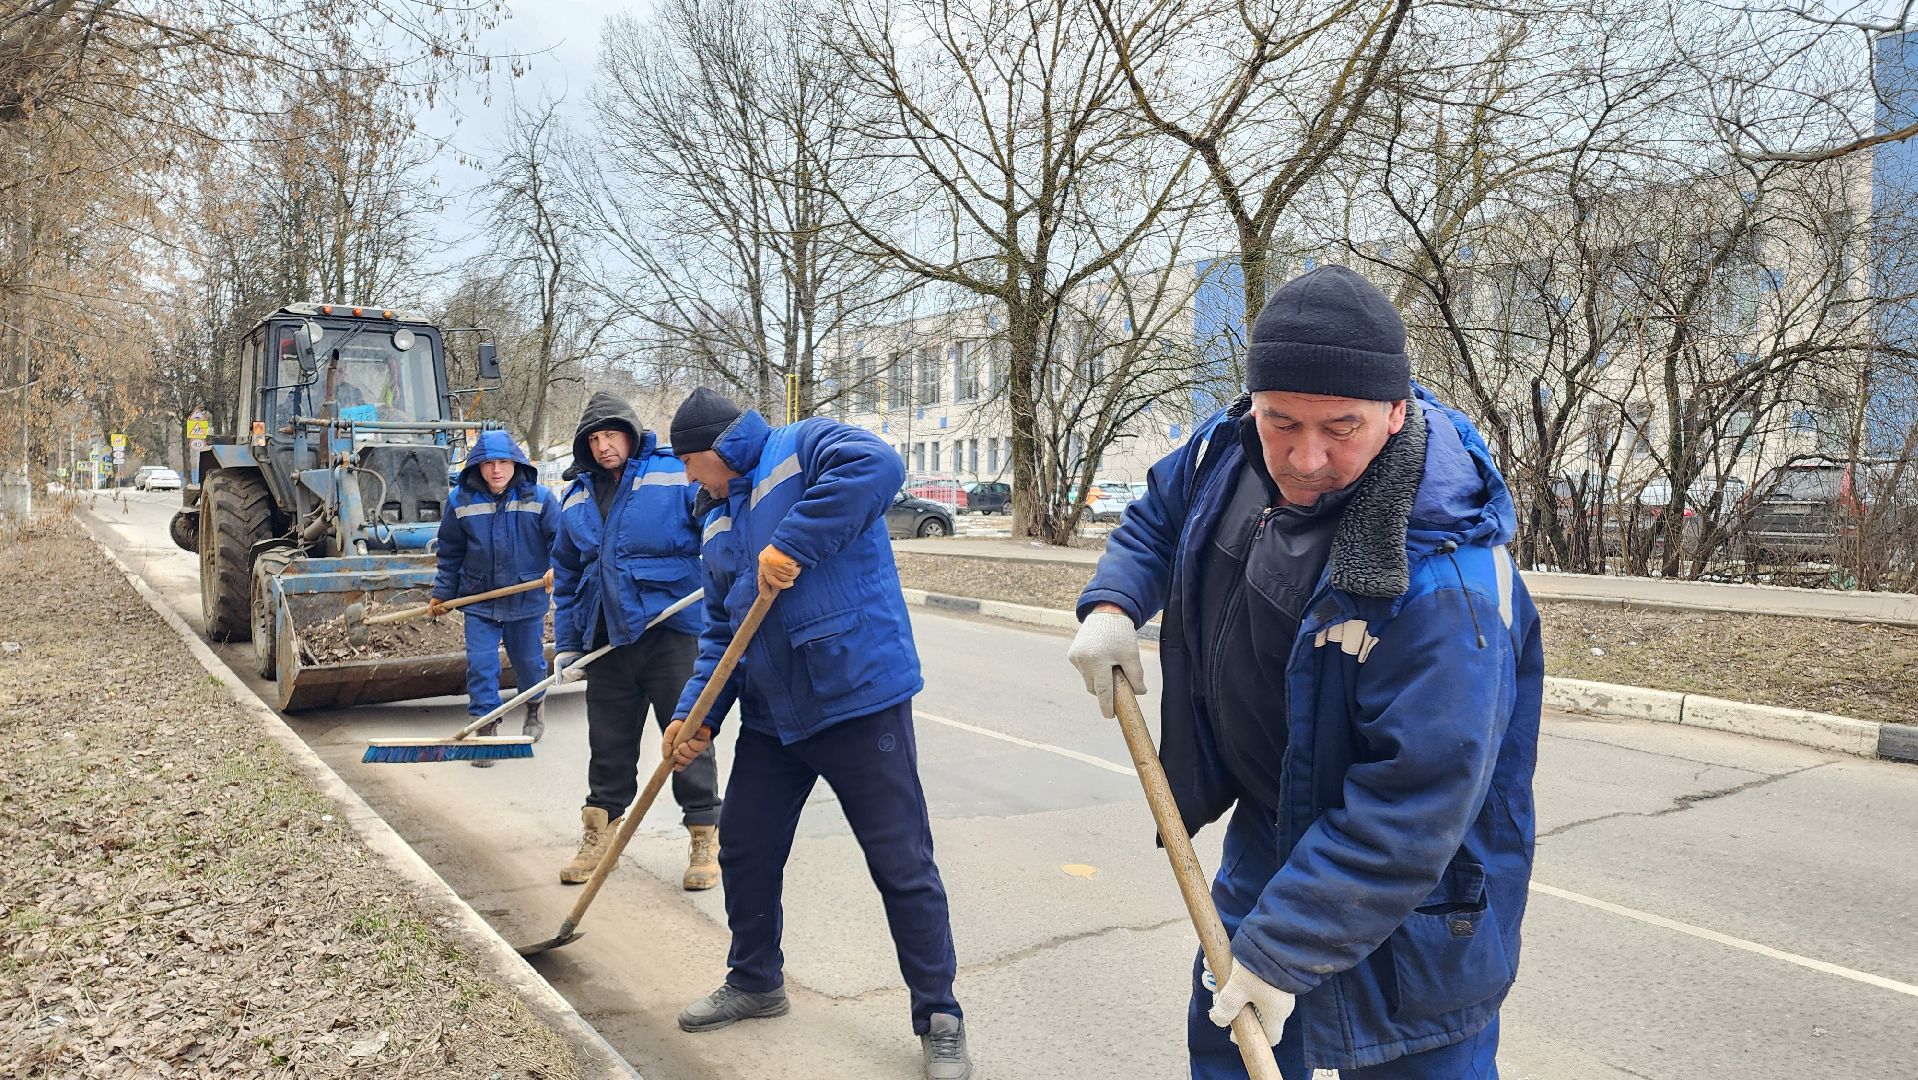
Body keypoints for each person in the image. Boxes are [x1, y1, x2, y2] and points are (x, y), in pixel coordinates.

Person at [1066, 265, 1544, 1079]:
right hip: (1272, 833)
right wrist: (1114, 603)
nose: (1306, 456)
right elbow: (1162, 515)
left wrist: (1283, 952)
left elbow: (1414, 804)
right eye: (1281, 421)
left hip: (1419, 900)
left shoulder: (1445, 583)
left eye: (1340, 428)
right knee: (1227, 1053)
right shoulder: (1231, 449)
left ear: (1396, 412)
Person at [663, 388, 972, 1080]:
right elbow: (721, 633)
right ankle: (755, 981)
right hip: (773, 714)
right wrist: (696, 714)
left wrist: (792, 542)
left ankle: (940, 1016)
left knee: (901, 862)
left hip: (855, 695)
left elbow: (879, 466)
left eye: (688, 462)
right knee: (744, 845)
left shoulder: (801, 446)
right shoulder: (714, 516)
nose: (687, 476)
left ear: (715, 449)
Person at [550, 391, 718, 889]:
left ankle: (705, 837)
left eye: (611, 434)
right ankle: (600, 836)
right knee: (608, 746)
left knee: (686, 739)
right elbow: (567, 574)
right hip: (607, 639)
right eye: (594, 439)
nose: (603, 446)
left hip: (671, 633)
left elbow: (718, 527)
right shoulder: (577, 495)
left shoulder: (673, 474)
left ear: (630, 432)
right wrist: (568, 644)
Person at [431, 430, 560, 769]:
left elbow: (561, 542)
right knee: (481, 664)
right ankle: (485, 729)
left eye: (503, 462)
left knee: (529, 662)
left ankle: (534, 706)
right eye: (488, 463)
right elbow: (450, 552)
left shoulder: (540, 499)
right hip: (479, 598)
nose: (496, 470)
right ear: (477, 466)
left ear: (516, 463)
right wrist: (443, 594)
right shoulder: (460, 501)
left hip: (525, 595)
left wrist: (556, 568)